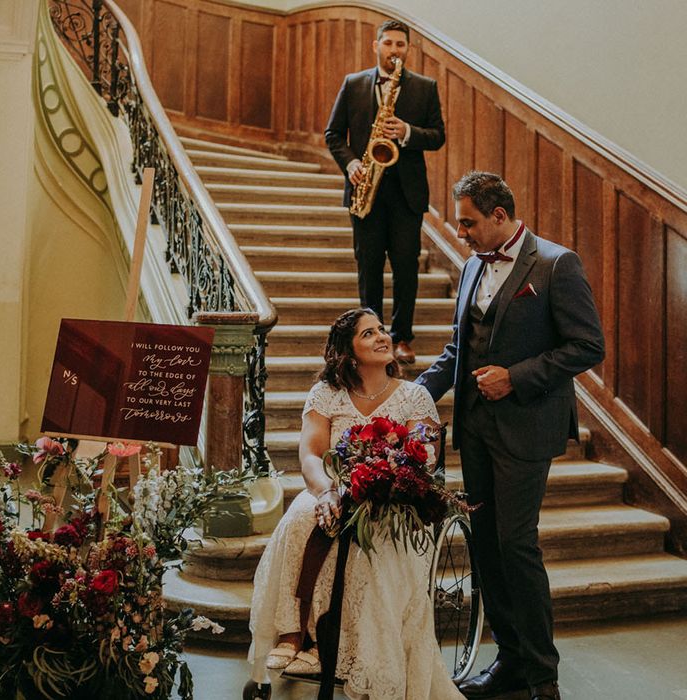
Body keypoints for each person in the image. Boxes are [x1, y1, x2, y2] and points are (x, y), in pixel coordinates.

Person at [415, 172, 605, 700]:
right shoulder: (474, 264)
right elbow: (460, 347)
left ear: (500, 216)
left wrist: (514, 377)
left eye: (469, 222)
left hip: (525, 428)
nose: (461, 234)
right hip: (474, 430)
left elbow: (588, 346)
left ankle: (544, 676)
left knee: (516, 545)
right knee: (486, 551)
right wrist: (411, 395)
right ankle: (512, 662)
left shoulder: (555, 263)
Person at [246, 308, 464, 700]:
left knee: (366, 549)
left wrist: (390, 475)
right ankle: (293, 632)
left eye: (382, 330)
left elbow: (425, 454)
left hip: (392, 501)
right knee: (299, 520)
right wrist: (327, 491)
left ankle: (325, 644)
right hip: (333, 486)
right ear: (349, 352)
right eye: (369, 334)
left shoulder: (414, 397)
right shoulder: (326, 395)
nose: (382, 337)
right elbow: (312, 454)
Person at [324, 19, 445, 365]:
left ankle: (402, 337)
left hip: (406, 193)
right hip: (365, 189)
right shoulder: (353, 83)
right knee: (369, 266)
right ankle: (370, 337)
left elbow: (437, 135)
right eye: (388, 43)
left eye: (400, 45)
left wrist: (407, 131)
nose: (394, 50)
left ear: (408, 49)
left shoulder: (425, 86)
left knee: (406, 266)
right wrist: (349, 165)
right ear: (375, 45)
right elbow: (333, 134)